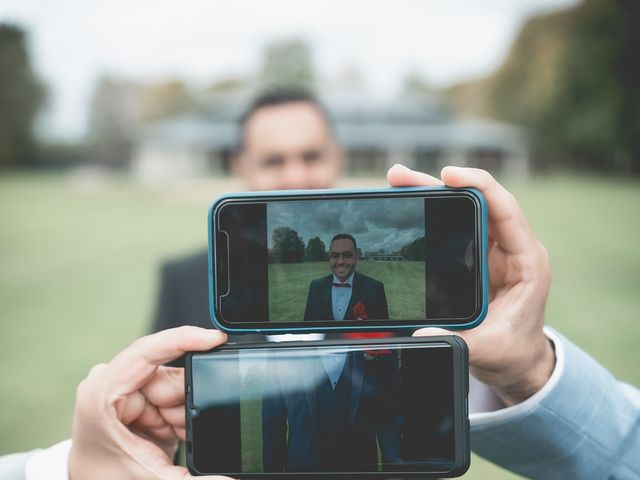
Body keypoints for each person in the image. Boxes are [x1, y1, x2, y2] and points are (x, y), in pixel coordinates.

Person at [2, 165, 638, 478]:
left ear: (355, 257)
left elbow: (390, 344)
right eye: (333, 255)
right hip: (301, 398)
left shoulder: (373, 290)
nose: (338, 262)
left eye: (345, 254)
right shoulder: (303, 288)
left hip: (364, 389)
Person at [151, 88, 344, 345]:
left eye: (312, 157)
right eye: (273, 161)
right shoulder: (185, 281)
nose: (296, 178)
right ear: (241, 166)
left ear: (337, 158)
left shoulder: (388, 281)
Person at [261, 345, 402, 472]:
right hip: (303, 470)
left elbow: (389, 413)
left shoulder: (377, 346)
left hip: (359, 469)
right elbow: (272, 421)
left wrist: (394, 470)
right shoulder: (283, 353)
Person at [303, 234, 389, 322]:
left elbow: (383, 331)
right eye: (335, 256)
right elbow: (307, 329)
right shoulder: (316, 287)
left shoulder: (375, 288)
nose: (340, 262)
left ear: (356, 257)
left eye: (347, 255)